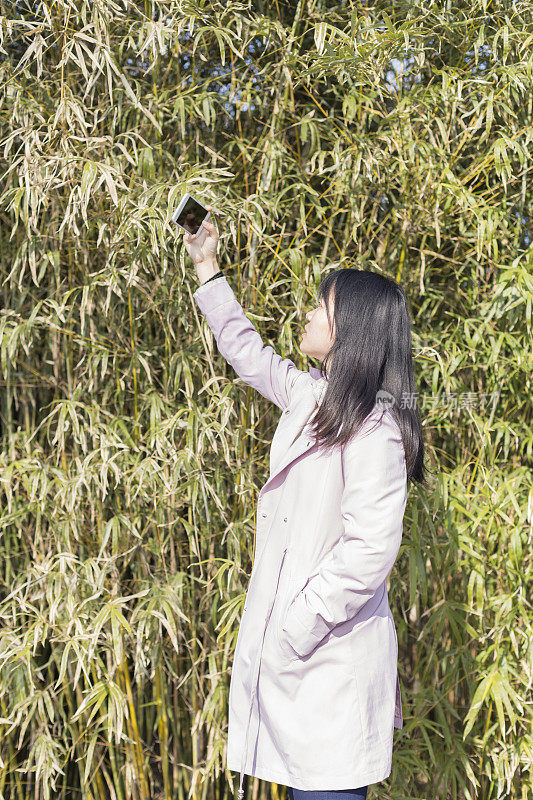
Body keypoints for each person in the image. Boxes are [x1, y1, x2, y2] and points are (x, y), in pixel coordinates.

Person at [183, 209, 427, 800]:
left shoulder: (377, 429)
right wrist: (207, 266)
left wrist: (297, 625)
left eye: (321, 307)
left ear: (351, 330)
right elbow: (247, 352)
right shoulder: (310, 396)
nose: (308, 313)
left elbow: (369, 549)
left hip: (329, 666)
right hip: (298, 667)